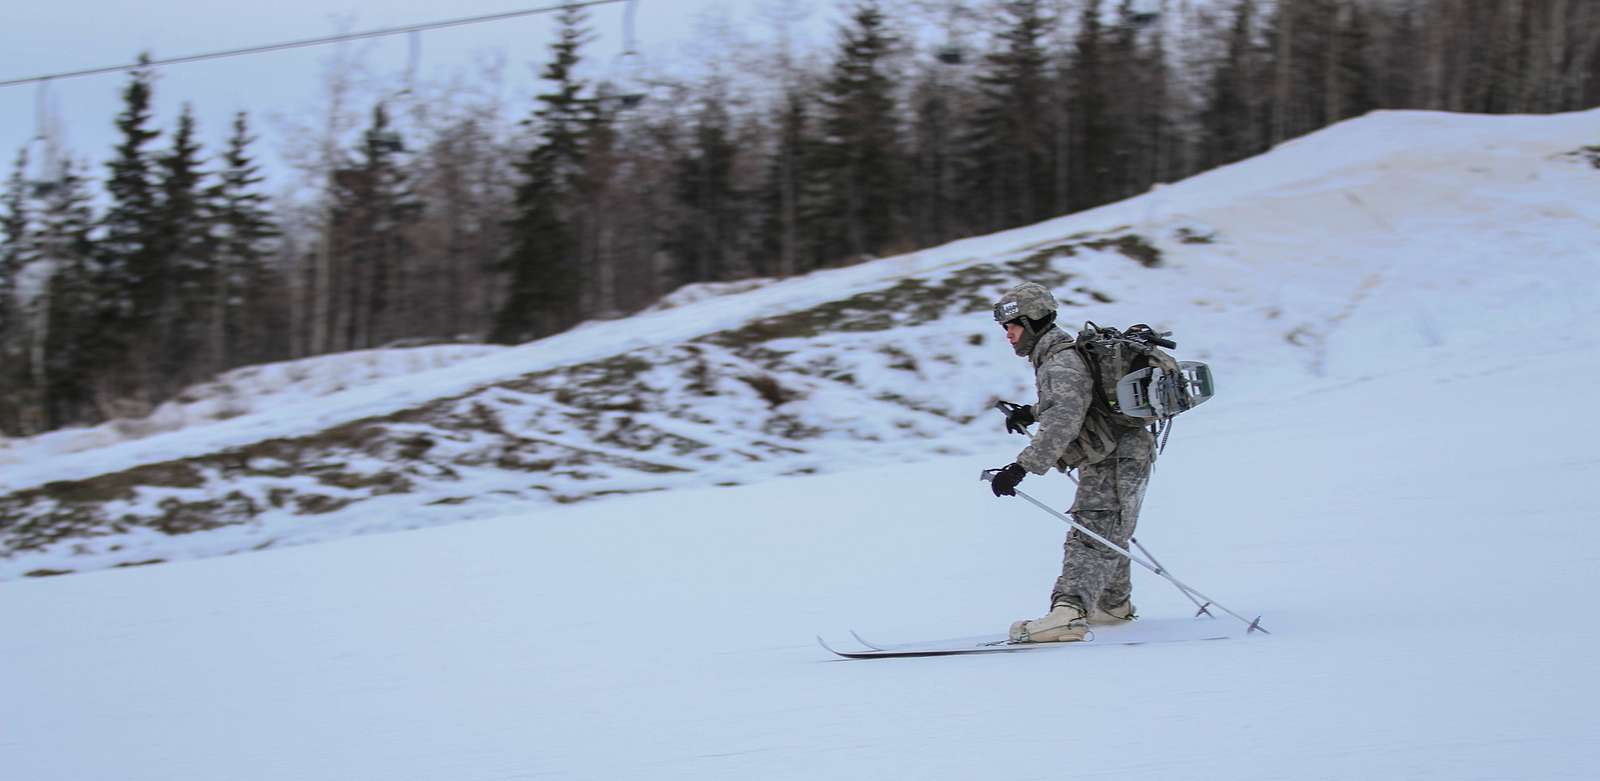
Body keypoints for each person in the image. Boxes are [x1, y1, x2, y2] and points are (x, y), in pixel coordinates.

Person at [987, 282, 1155, 643]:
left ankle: (1068, 612)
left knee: (1092, 526)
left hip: (1116, 455)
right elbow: (1073, 401)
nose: (1009, 334)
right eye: (1005, 328)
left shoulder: (1059, 360)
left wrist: (1020, 468)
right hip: (1117, 451)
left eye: (1013, 325)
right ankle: (1112, 604)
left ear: (1033, 320)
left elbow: (1064, 419)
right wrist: (1029, 413)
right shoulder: (1058, 356)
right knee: (1109, 528)